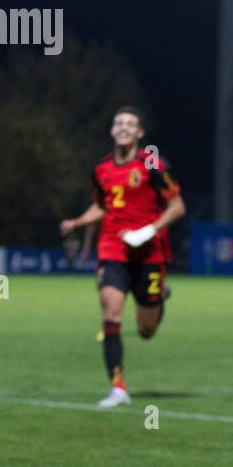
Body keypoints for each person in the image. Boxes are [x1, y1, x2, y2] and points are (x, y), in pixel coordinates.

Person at [60, 107, 185, 406]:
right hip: (113, 250)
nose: (124, 127)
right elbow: (102, 206)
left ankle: (159, 298)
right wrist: (78, 222)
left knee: (145, 330)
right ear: (113, 130)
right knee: (111, 316)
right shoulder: (101, 169)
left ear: (140, 133)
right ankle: (118, 388)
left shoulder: (152, 164)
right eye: (119, 123)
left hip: (149, 254)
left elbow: (177, 207)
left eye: (130, 124)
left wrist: (148, 231)